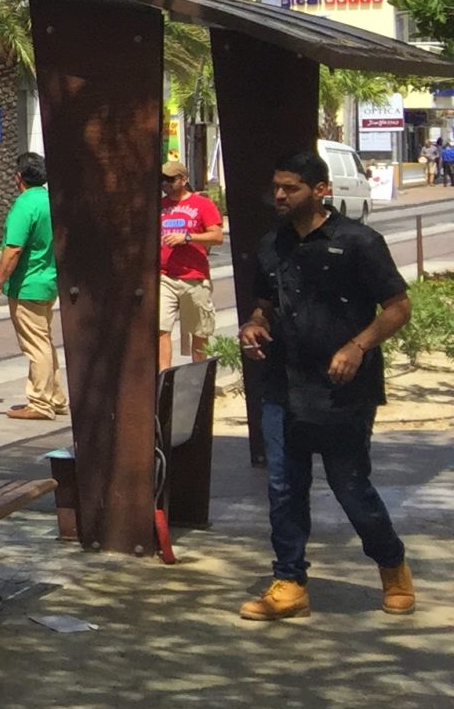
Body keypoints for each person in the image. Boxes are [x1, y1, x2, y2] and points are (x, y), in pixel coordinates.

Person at [236, 150, 416, 620]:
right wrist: (255, 324)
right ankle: (290, 581)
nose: (279, 195)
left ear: (319, 190)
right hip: (282, 385)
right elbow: (263, 302)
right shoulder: (271, 245)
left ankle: (392, 564)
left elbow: (398, 307)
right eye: (276, 186)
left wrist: (358, 346)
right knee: (283, 487)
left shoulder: (360, 242)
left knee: (350, 486)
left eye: (290, 188)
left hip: (343, 389)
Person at [0, 151, 66, 421]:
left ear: (18, 178)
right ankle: (55, 397)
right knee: (44, 343)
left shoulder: (25, 205)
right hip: (47, 281)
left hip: (27, 285)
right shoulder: (50, 201)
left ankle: (40, 403)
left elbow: (13, 249)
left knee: (35, 347)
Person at [158, 157, 225, 373]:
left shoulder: (202, 204)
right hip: (165, 276)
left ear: (184, 179)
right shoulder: (160, 206)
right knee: (161, 329)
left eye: (170, 179)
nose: (165, 183)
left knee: (199, 332)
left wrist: (187, 237)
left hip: (193, 277)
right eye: (163, 179)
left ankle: (199, 376)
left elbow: (217, 236)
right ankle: (163, 377)